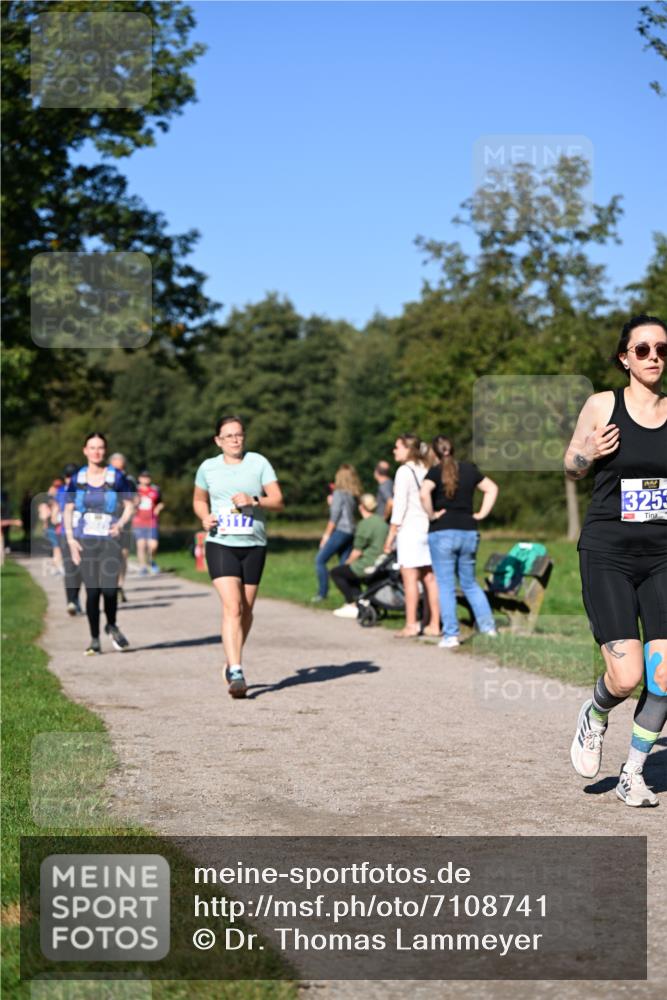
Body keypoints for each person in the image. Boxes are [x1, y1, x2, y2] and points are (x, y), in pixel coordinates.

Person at [566, 314, 667, 807]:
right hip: (608, 551)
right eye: (643, 349)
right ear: (625, 358)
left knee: (665, 674)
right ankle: (597, 711)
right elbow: (571, 467)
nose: (654, 357)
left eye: (662, 350)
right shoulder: (603, 404)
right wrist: (586, 451)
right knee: (627, 678)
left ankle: (633, 772)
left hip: (663, 555)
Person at [193, 414, 283, 698]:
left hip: (254, 544)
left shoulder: (259, 463)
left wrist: (254, 500)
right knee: (232, 607)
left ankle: (231, 659)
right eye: (228, 435)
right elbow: (198, 499)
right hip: (220, 542)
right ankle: (237, 671)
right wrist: (204, 516)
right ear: (218, 440)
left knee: (246, 610)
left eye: (239, 434)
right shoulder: (208, 467)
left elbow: (278, 500)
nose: (235, 439)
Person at [420, 436, 499, 648]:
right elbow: (492, 488)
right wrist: (481, 514)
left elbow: (424, 493)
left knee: (445, 585)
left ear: (434, 453)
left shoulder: (434, 472)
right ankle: (488, 628)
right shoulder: (469, 469)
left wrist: (432, 515)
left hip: (442, 531)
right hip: (468, 531)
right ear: (452, 450)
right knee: (470, 583)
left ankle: (451, 636)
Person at [63, 433, 135, 655]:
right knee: (93, 593)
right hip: (85, 541)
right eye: (92, 447)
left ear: (105, 450)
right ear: (85, 450)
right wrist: (70, 540)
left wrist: (121, 523)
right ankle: (94, 639)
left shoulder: (116, 477)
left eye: (100, 448)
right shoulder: (78, 479)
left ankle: (111, 624)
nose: (96, 452)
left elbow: (130, 504)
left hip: (110, 540)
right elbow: (67, 509)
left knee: (110, 590)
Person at [383, 434, 441, 638]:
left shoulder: (403, 471)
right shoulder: (426, 468)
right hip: (428, 527)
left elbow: (399, 507)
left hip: (410, 530)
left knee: (410, 579)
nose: (394, 450)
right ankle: (433, 623)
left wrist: (390, 536)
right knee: (430, 578)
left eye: (397, 447)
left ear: (408, 449)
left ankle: (411, 624)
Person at [330, 493, 389, 618]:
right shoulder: (382, 522)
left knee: (337, 572)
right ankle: (361, 601)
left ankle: (352, 603)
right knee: (350, 574)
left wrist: (347, 562)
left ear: (361, 507)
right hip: (382, 562)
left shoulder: (365, 524)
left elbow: (357, 551)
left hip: (368, 562)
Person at [312, 464, 362, 602]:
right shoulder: (353, 494)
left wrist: (326, 536)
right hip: (351, 531)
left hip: (341, 530)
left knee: (320, 560)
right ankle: (353, 595)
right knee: (345, 565)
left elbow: (334, 517)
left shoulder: (339, 493)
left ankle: (322, 594)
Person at [109, 453, 137, 601]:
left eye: (122, 468)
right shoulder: (104, 479)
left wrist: (130, 505)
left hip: (125, 523)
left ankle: (120, 585)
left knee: (123, 555)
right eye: (116, 468)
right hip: (107, 523)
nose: (120, 472)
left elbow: (135, 499)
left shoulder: (129, 481)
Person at [55, 464, 82, 615]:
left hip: (82, 533)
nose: (69, 479)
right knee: (71, 568)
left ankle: (74, 599)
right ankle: (71, 601)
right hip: (68, 533)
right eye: (68, 476)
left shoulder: (80, 490)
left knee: (77, 570)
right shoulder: (63, 491)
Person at [132, 470, 164, 576]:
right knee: (141, 545)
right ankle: (143, 567)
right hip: (138, 521)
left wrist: (158, 508)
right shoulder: (135, 490)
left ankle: (151, 561)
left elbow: (161, 502)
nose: (145, 479)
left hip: (152, 521)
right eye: (143, 477)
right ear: (139, 478)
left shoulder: (155, 490)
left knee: (153, 545)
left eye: (147, 477)